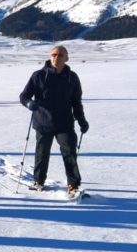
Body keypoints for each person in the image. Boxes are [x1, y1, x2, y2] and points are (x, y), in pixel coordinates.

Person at [19, 45, 89, 196]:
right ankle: (39, 181)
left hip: (65, 123)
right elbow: (23, 96)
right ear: (50, 56)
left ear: (67, 58)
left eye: (60, 55)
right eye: (54, 54)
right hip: (43, 123)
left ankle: (73, 184)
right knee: (42, 154)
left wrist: (81, 120)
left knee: (70, 153)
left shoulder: (72, 77)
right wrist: (30, 104)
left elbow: (76, 102)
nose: (56, 57)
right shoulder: (38, 75)